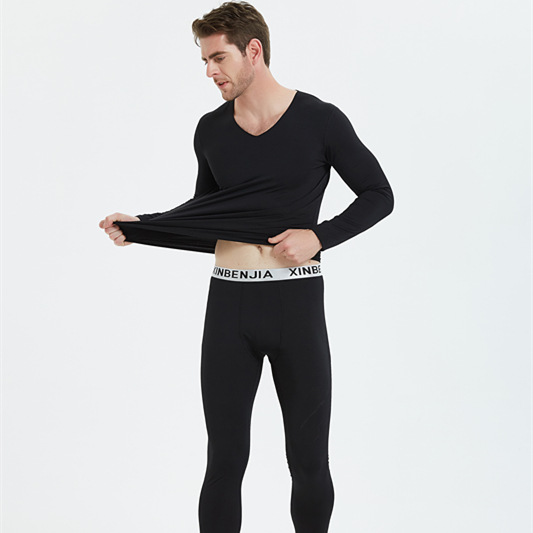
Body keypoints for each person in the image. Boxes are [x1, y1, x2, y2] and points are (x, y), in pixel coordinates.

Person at [99, 2, 394, 532]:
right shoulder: (211, 131)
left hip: (296, 304)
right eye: (205, 61)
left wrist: (319, 237)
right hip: (230, 306)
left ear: (253, 51)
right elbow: (208, 221)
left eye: (218, 58)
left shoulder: (320, 120)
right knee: (224, 460)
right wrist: (145, 227)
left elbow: (379, 194)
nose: (209, 71)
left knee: (308, 460)